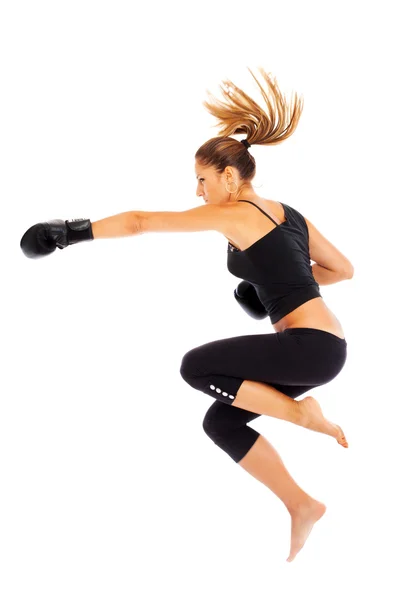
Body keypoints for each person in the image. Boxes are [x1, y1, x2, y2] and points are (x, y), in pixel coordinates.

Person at [20, 68, 354, 563]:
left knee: (196, 367)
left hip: (307, 348)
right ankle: (301, 504)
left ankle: (304, 415)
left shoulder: (235, 212)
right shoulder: (287, 212)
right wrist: (270, 290)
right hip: (323, 348)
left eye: (201, 180)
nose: (198, 192)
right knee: (223, 423)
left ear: (229, 176)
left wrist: (71, 232)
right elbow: (341, 270)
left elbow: (140, 221)